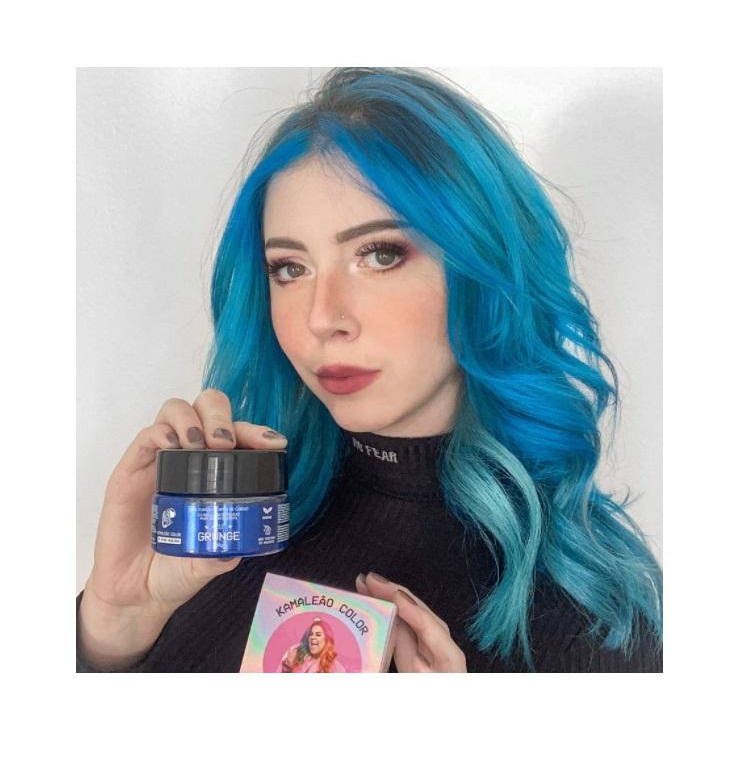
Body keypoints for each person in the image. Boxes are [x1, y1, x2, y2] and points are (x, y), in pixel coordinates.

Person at [76, 67, 662, 673]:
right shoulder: (229, 524)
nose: (322, 317)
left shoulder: (596, 617)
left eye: (379, 255)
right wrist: (114, 622)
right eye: (290, 268)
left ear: (482, 269)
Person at [277, 617, 347, 673]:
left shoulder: (338, 669)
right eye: (311, 634)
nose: (313, 637)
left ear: (327, 640)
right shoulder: (297, 654)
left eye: (318, 635)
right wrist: (289, 666)